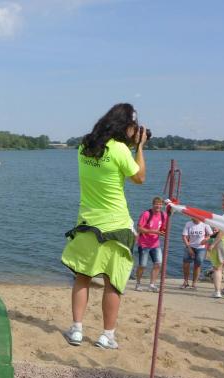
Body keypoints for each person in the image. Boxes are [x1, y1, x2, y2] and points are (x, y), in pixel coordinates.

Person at [61, 103, 148, 350]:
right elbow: (139, 177)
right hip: (116, 226)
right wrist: (140, 147)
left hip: (87, 223)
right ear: (127, 126)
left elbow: (105, 158)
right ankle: (107, 335)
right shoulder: (120, 150)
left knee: (82, 278)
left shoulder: (84, 146)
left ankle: (77, 330)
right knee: (113, 282)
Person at [135, 197, 166, 292]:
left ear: (162, 205)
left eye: (160, 204)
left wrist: (163, 232)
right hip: (144, 244)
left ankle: (152, 284)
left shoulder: (163, 215)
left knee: (158, 263)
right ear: (153, 204)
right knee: (142, 265)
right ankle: (138, 284)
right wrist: (154, 231)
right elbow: (139, 228)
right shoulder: (146, 214)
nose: (158, 206)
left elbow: (163, 228)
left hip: (155, 244)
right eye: (156, 204)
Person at [181, 218, 213, 289]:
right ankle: (186, 281)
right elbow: (184, 236)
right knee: (186, 264)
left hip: (201, 248)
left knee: (198, 264)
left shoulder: (205, 224)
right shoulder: (188, 223)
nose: (193, 218)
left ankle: (194, 283)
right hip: (190, 246)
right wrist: (189, 248)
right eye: (192, 217)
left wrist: (206, 239)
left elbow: (211, 234)